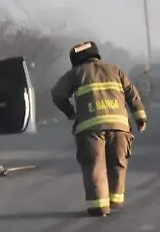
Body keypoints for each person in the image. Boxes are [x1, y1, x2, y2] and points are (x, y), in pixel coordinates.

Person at [50, 41, 147, 217]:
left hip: (90, 128)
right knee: (118, 162)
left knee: (94, 166)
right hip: (119, 126)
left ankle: (99, 207)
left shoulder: (76, 73)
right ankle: (115, 200)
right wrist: (140, 118)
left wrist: (70, 112)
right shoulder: (115, 69)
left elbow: (57, 93)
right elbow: (132, 93)